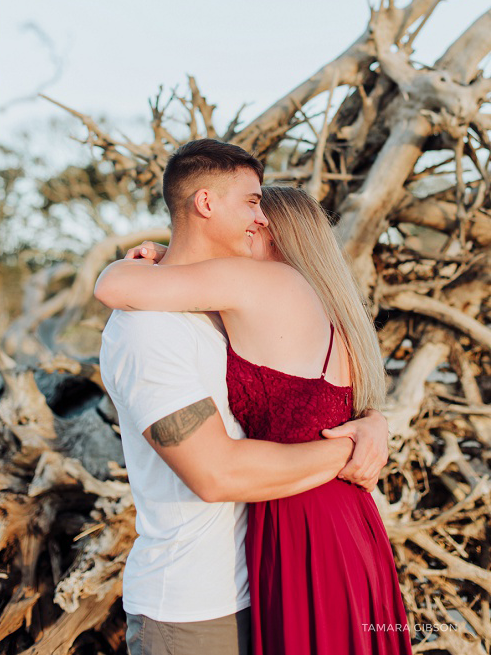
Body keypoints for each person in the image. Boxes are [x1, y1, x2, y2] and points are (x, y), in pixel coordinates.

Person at [95, 140, 409, 655]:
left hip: (282, 554)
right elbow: (217, 474)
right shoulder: (150, 329)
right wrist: (357, 445)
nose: (257, 216)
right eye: (252, 202)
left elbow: (117, 282)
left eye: (263, 208)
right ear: (206, 203)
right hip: (198, 601)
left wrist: (371, 426)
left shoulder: (243, 302)